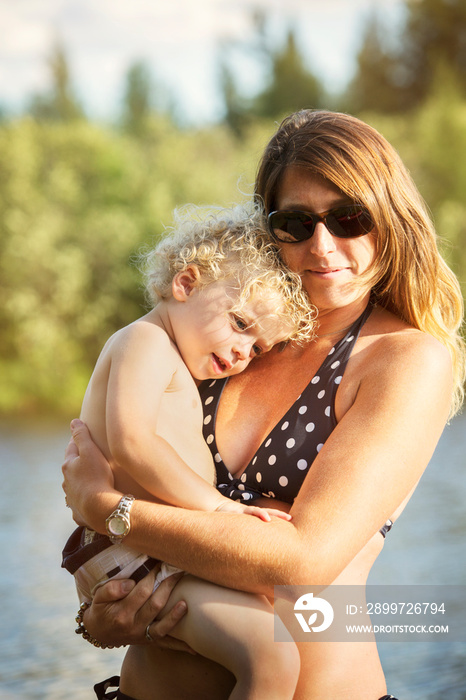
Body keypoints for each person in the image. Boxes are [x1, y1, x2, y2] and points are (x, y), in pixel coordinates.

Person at [62, 109, 466, 700]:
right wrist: (99, 617)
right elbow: (123, 473)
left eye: (350, 217)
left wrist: (108, 510)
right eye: (296, 222)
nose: (323, 246)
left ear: (392, 220)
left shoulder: (402, 359)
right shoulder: (227, 335)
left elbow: (304, 561)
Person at [62, 203, 316, 700]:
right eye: (241, 323)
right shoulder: (145, 341)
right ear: (185, 284)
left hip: (152, 552)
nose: (244, 353)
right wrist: (221, 511)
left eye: (258, 349)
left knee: (271, 641)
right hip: (137, 557)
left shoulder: (175, 357)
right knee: (272, 658)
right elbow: (134, 445)